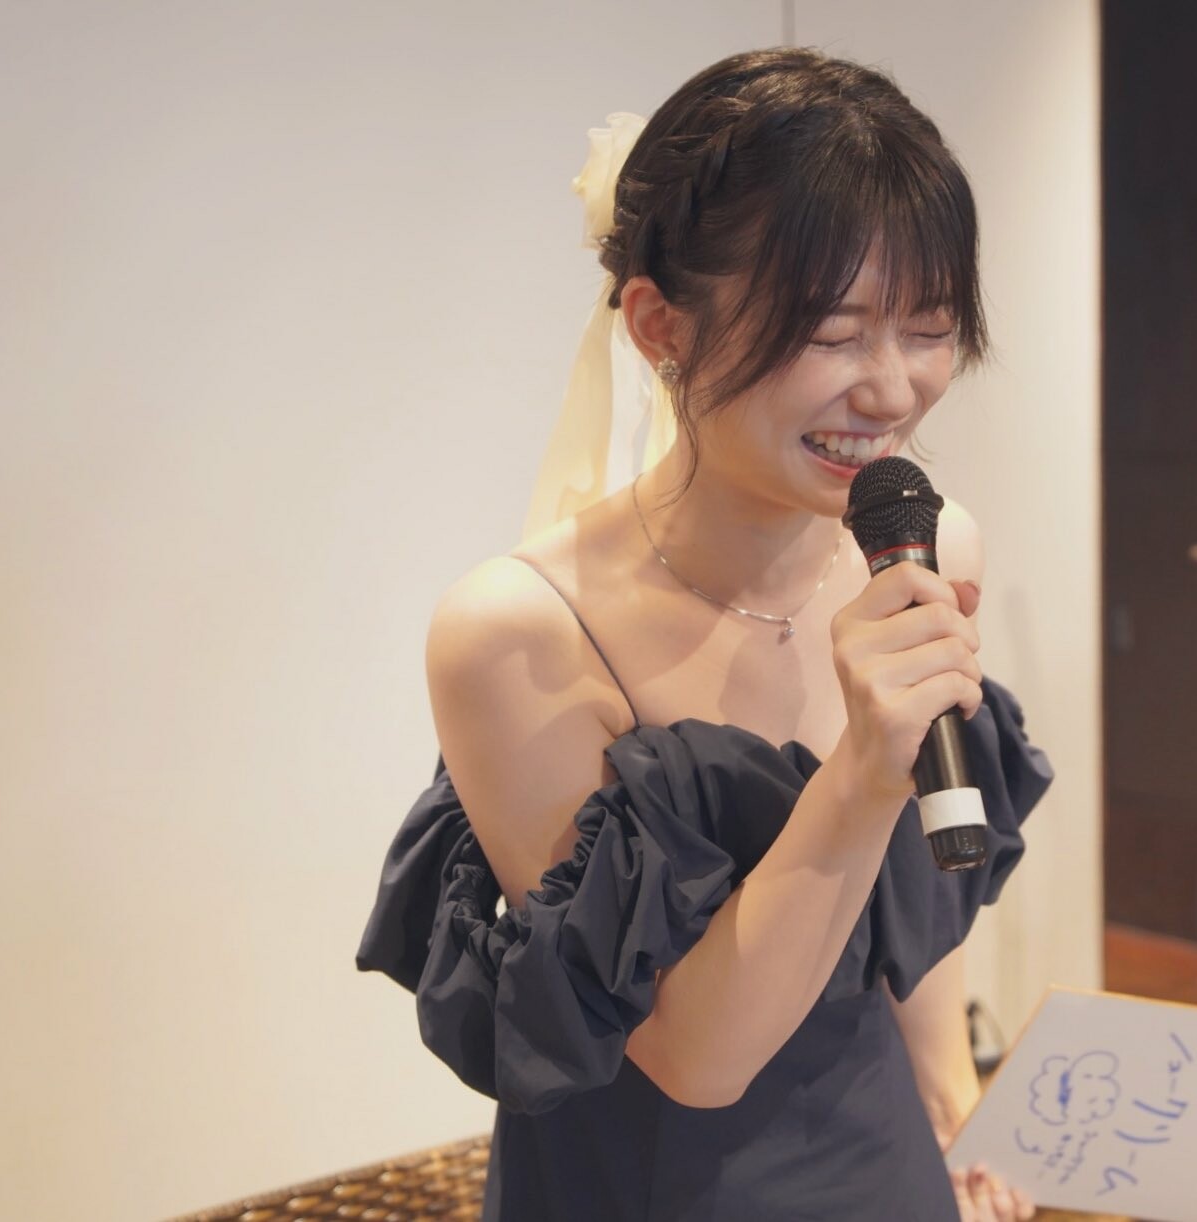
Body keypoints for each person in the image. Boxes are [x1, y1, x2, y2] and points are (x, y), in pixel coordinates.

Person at [356, 47, 1054, 1222]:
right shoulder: (521, 634)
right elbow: (694, 1057)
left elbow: (920, 893)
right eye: (833, 334)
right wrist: (861, 764)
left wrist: (952, 1106)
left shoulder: (927, 549)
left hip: (878, 1161)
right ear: (657, 324)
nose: (892, 390)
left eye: (929, 328)